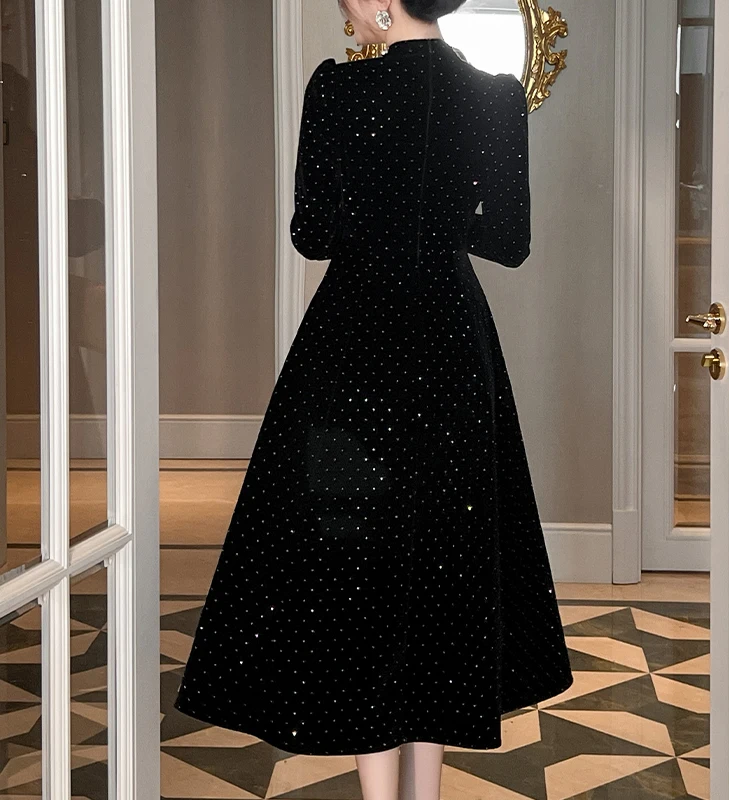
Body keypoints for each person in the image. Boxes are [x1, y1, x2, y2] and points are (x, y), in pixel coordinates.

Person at [173, 0, 573, 797]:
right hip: (452, 346)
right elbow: (510, 241)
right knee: (443, 563)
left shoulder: (337, 89)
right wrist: (439, 222)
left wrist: (378, 215)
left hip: (353, 345)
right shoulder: (496, 94)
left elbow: (312, 235)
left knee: (355, 555)